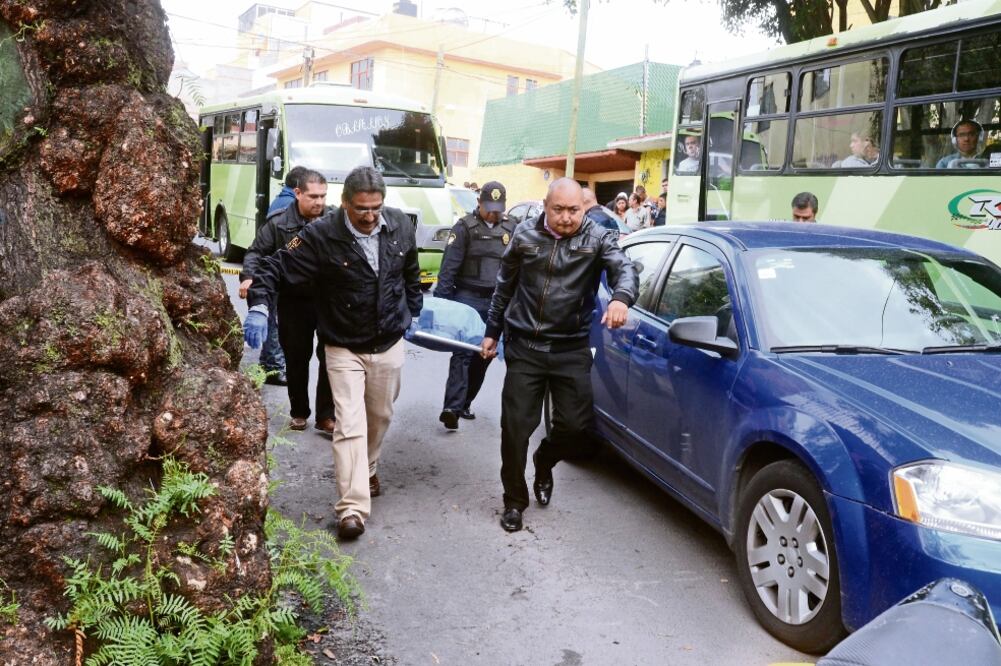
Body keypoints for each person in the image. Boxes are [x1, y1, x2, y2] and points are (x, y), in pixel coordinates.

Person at [244, 166, 422, 540]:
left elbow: (410, 270)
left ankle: (368, 466)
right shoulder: (318, 235)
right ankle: (352, 508)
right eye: (362, 209)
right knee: (350, 425)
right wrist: (260, 304)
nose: (371, 216)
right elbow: (275, 264)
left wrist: (415, 311)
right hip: (342, 345)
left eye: (376, 207)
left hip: (389, 340)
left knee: (380, 416)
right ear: (344, 204)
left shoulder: (400, 225)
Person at [480, 178, 638, 533]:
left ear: (584, 208)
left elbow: (624, 268)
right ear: (546, 206)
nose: (567, 218)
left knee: (575, 428)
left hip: (570, 348)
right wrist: (492, 333)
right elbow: (504, 287)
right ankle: (514, 501)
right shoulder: (524, 236)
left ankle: (545, 459)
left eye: (574, 210)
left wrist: (620, 298)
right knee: (515, 430)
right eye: (559, 210)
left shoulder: (598, 238)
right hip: (525, 348)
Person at [241, 169, 337, 433]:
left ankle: (326, 415)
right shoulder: (278, 223)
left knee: (330, 356)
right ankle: (299, 411)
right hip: (294, 300)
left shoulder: (334, 220)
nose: (319, 202)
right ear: (297, 194)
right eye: (313, 196)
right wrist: (249, 277)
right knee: (296, 357)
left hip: (328, 300)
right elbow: (256, 252)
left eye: (323, 196)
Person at [434, 181, 517, 430]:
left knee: (484, 355)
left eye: (498, 208)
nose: (494, 213)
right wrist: (442, 305)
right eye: (489, 207)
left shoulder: (512, 227)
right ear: (478, 203)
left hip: (496, 300)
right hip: (467, 298)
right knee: (463, 352)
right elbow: (448, 269)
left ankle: (465, 402)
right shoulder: (463, 228)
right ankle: (451, 407)